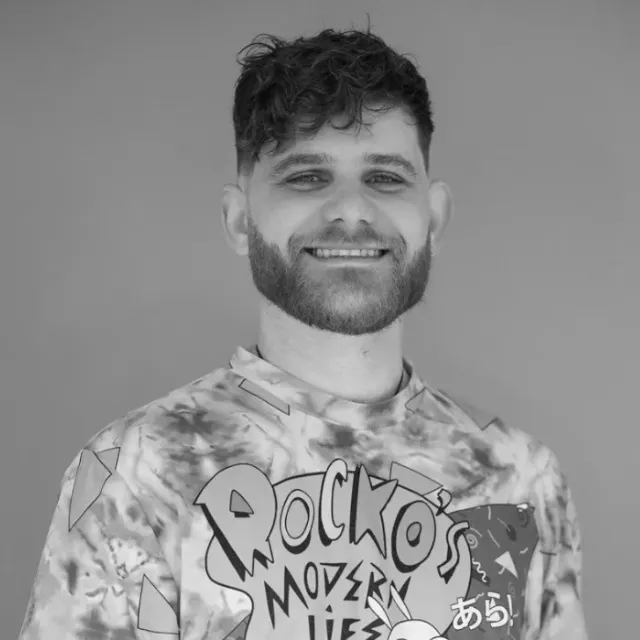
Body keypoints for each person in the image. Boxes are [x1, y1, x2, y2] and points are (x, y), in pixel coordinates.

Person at [19, 26, 588, 640]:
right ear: (241, 221)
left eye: (386, 177)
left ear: (434, 217)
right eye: (306, 177)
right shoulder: (139, 474)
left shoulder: (520, 478)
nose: (351, 209)